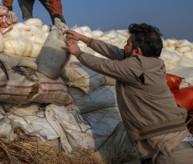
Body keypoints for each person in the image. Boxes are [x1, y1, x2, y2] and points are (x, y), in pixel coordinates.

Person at [62, 23, 193, 163]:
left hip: (172, 152)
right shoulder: (151, 63)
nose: (124, 47)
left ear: (137, 51)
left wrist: (78, 53)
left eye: (127, 44)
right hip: (177, 142)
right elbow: (114, 52)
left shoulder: (136, 67)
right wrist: (84, 39)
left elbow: (104, 65)